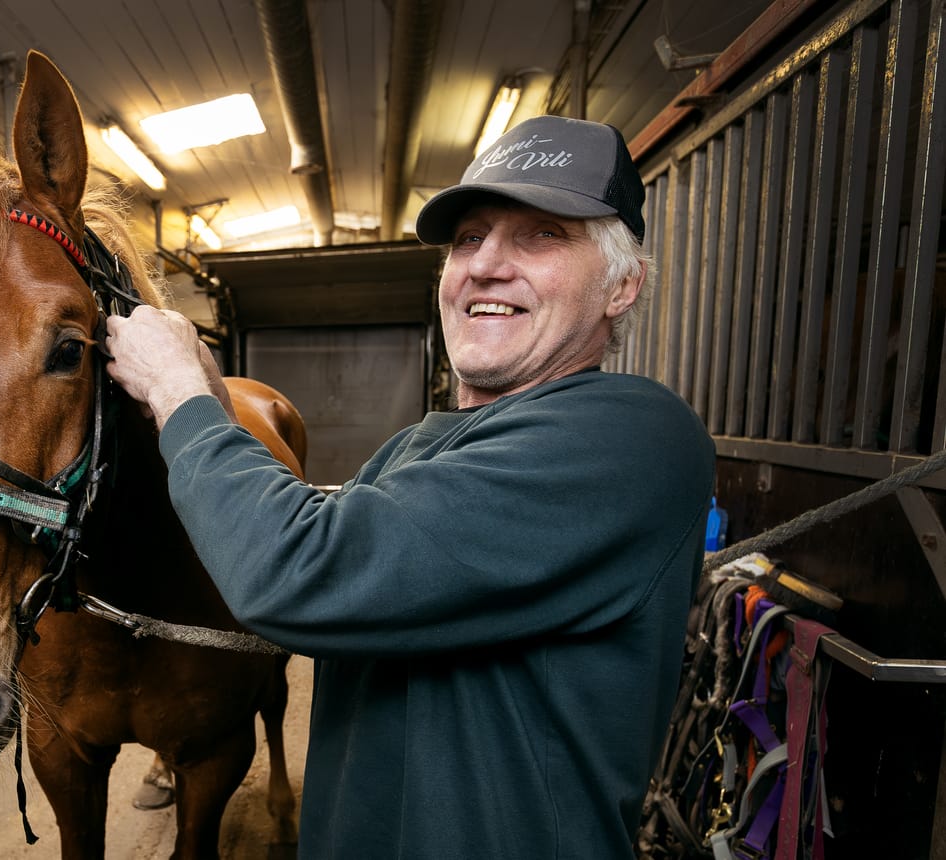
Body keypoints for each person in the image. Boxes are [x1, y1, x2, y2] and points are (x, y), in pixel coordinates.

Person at [105, 115, 715, 859]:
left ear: (623, 285)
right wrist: (209, 398)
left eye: (542, 235)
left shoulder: (629, 439)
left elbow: (302, 570)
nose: (486, 265)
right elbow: (332, 532)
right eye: (469, 238)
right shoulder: (417, 445)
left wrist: (178, 396)